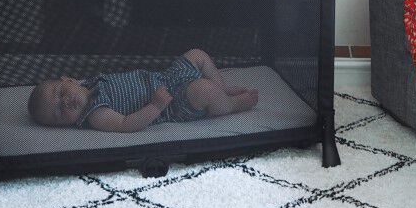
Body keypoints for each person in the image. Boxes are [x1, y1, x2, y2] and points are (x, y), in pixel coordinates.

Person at [27, 48, 259, 130]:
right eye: (59, 112)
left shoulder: (87, 84)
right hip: (171, 103)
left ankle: (222, 90)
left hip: (167, 77)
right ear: (66, 125)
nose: (65, 102)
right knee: (203, 90)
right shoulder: (95, 114)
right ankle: (232, 105)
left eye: (59, 93)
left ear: (68, 80)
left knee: (198, 55)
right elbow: (126, 125)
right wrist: (156, 106)